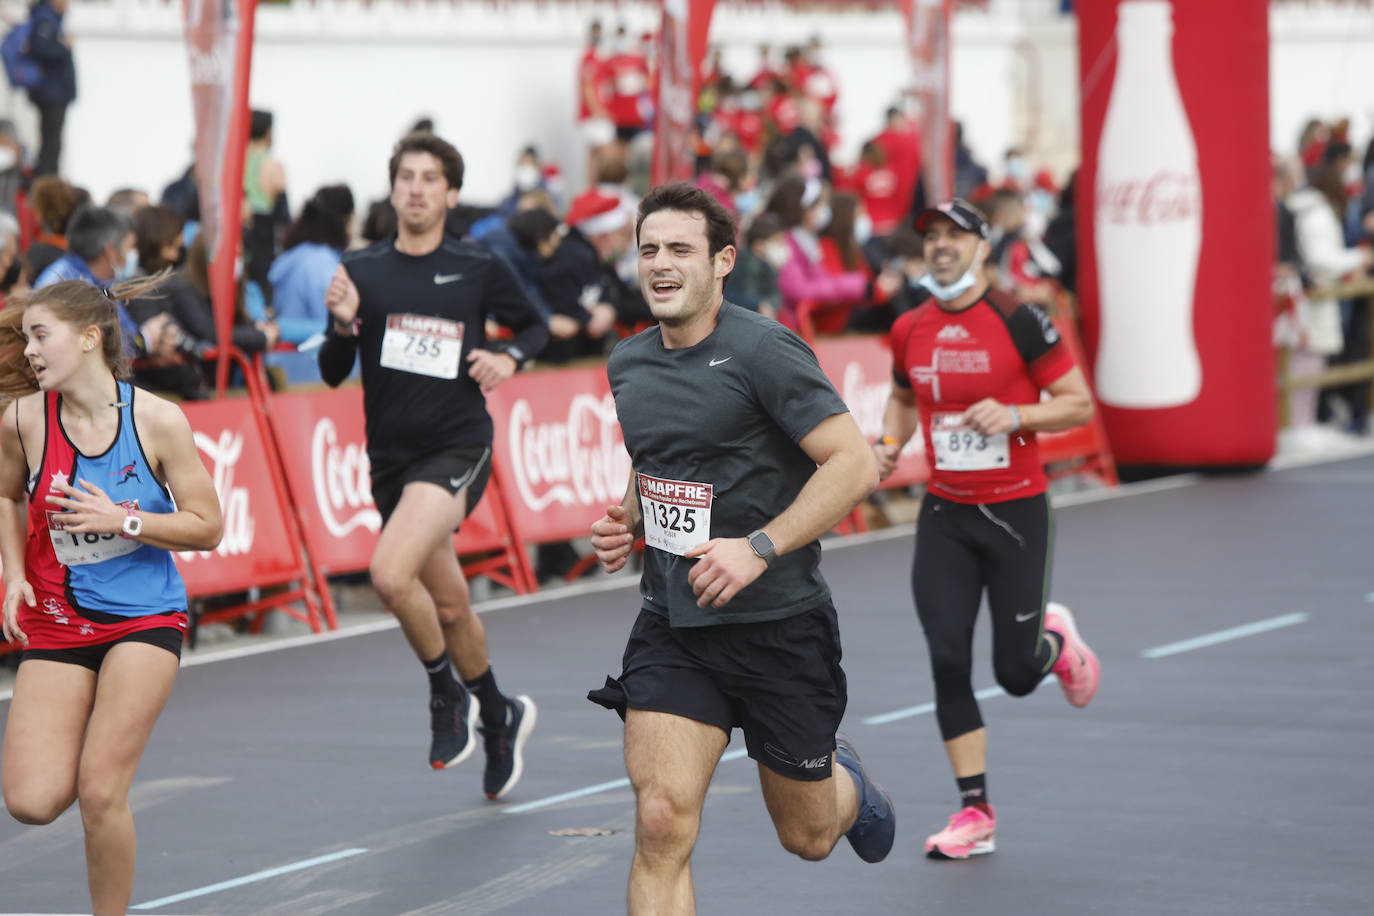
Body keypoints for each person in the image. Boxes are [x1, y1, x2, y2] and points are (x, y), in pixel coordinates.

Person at [587, 182, 896, 913]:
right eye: (649, 250)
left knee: (809, 834)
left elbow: (850, 463)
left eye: (680, 250)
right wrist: (630, 517)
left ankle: (848, 787)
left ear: (723, 261)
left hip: (779, 626)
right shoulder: (628, 365)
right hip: (675, 624)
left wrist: (758, 547)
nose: (661, 264)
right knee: (660, 820)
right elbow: (658, 452)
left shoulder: (765, 350)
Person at [319, 132, 546, 799]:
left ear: (450, 193)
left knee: (390, 575)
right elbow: (335, 372)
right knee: (447, 606)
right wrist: (341, 326)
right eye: (406, 177)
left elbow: (533, 326)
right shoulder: (361, 268)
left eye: (430, 179)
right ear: (393, 189)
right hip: (389, 459)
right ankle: (500, 712)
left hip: (457, 445)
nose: (416, 189)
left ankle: (447, 695)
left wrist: (509, 358)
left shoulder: (476, 265)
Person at [874, 198, 1101, 860]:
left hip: (1017, 512)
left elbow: (1078, 404)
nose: (941, 246)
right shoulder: (908, 327)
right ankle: (975, 811)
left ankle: (1055, 643)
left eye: (955, 236)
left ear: (983, 246)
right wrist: (890, 441)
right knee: (947, 659)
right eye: (932, 237)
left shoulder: (1019, 317)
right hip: (945, 514)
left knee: (1016, 671)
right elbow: (900, 393)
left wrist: (1017, 414)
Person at [0, 274, 223, 915]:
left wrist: (122, 519)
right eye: (24, 338)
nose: (30, 351)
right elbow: (6, 493)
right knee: (32, 800)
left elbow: (208, 526)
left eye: (41, 336)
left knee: (100, 792)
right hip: (58, 618)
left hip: (143, 620)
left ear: (90, 338)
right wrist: (14, 572)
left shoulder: (157, 420)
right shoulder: (22, 420)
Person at [267, 185, 354, 385]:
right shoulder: (321, 264)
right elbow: (331, 324)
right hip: (312, 377)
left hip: (285, 369)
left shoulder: (296, 257)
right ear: (344, 221)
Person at [26, 0, 75, 177]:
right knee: (50, 144)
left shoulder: (50, 17)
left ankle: (48, 182)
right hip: (51, 92)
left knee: (52, 143)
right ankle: (46, 185)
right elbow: (42, 49)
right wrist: (64, 47)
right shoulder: (44, 18)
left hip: (55, 91)